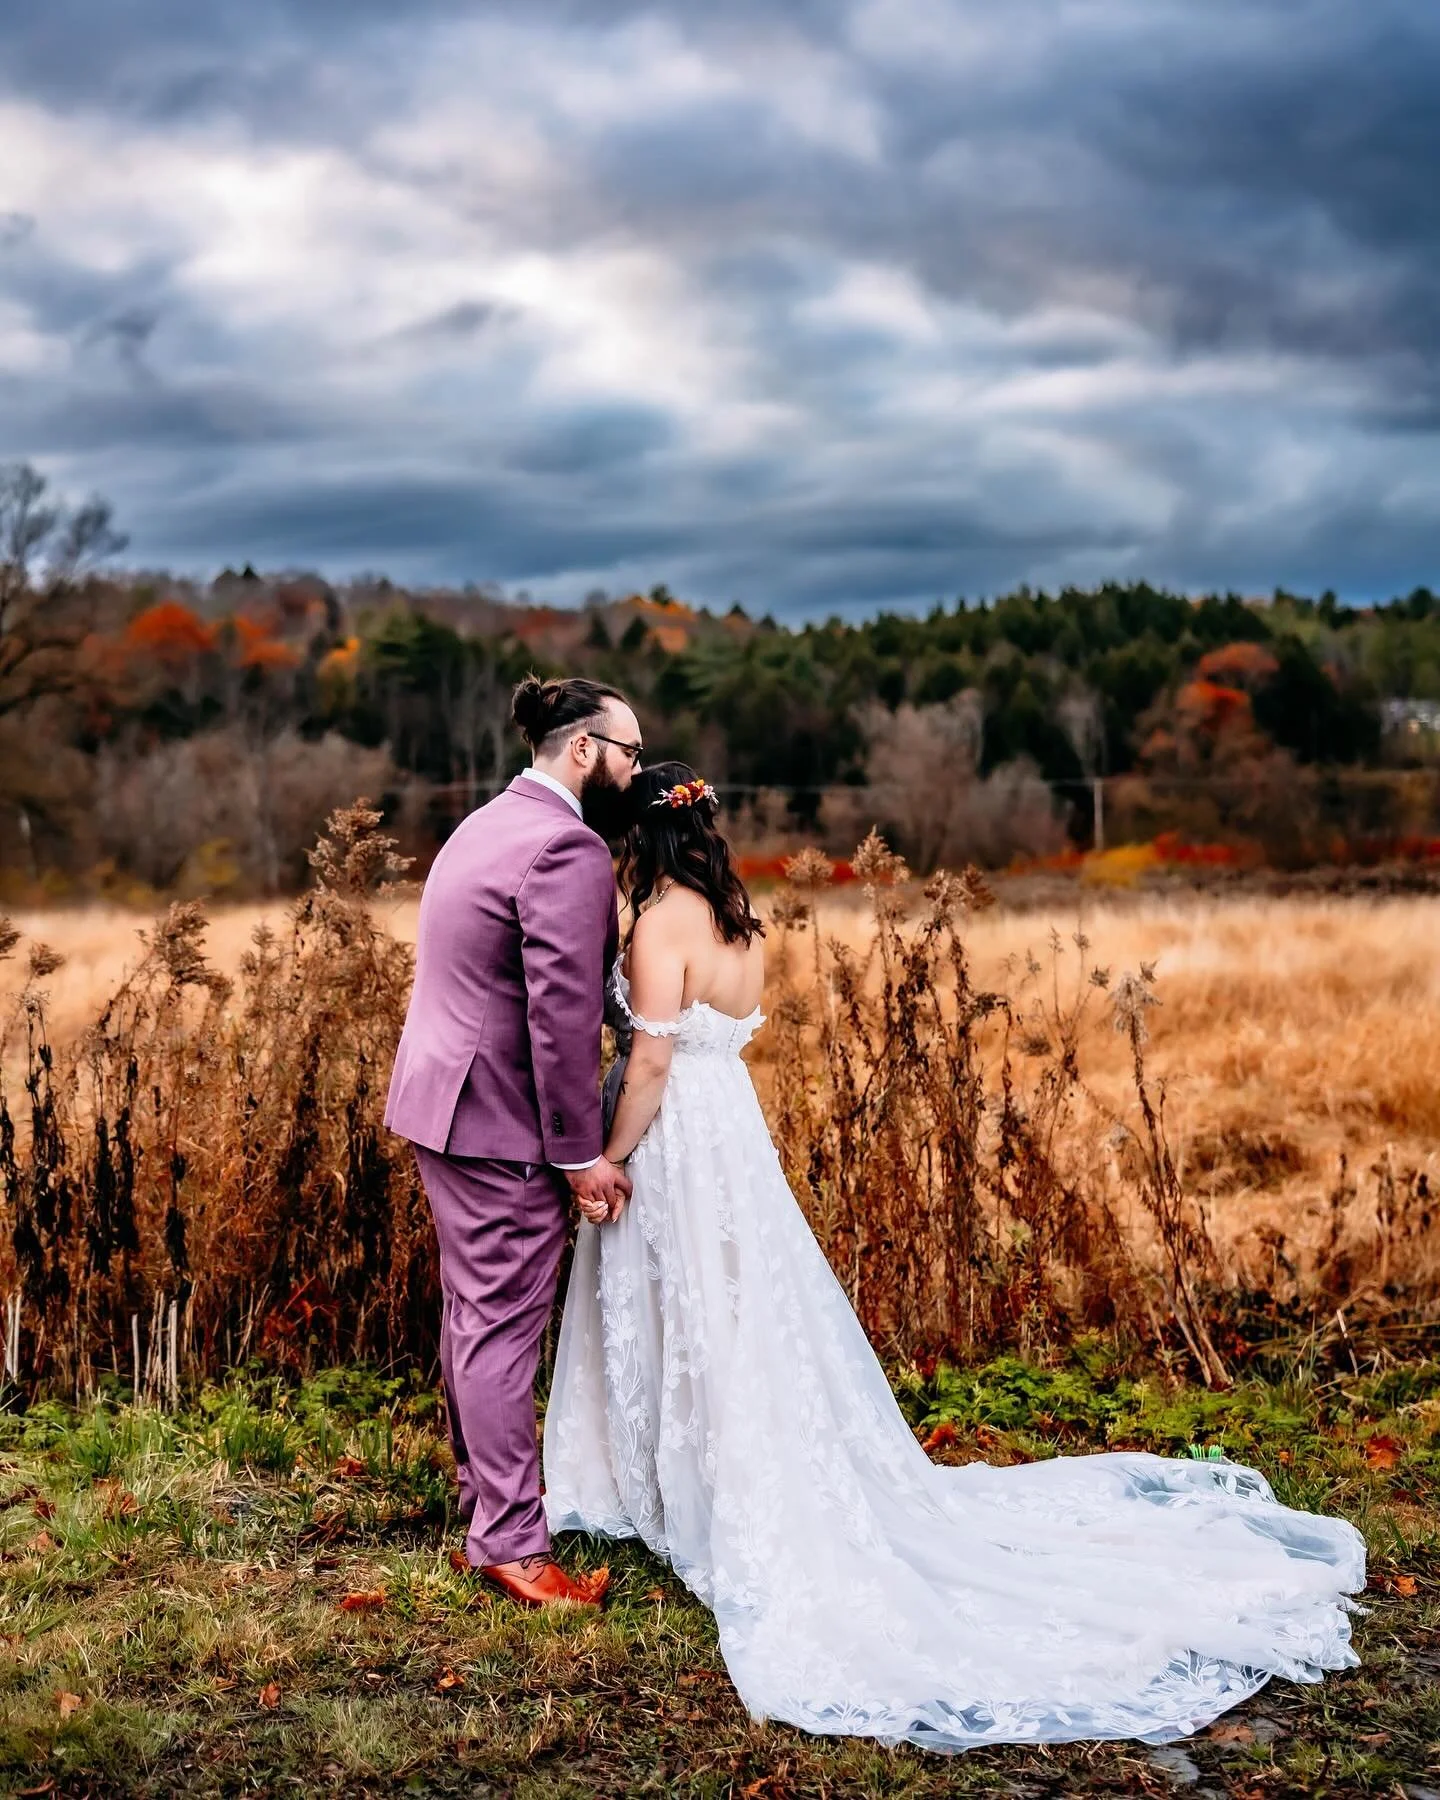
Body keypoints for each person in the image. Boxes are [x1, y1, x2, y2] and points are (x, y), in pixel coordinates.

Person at [542, 761, 1366, 1750]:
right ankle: (709, 1469)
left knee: (690, 1304)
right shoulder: (739, 921)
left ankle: (684, 1482)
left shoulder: (657, 924)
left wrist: (608, 1156)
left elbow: (652, 1061)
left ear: (641, 839)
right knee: (735, 1308)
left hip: (679, 1133)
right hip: (734, 1134)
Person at [385, 674, 643, 1609]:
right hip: (501, 1124)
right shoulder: (567, 848)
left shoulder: (484, 825)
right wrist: (580, 1155)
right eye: (631, 753)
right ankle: (510, 1544)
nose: (637, 770)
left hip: (443, 1108)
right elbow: (561, 1018)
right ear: (585, 749)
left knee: (473, 1314)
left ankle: (483, 1506)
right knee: (498, 1323)